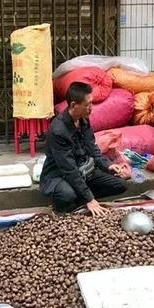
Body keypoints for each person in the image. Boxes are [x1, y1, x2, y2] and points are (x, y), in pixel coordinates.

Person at [40, 82, 127, 216]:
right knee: (67, 195)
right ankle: (63, 206)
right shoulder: (58, 130)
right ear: (74, 105)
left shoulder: (83, 120)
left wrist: (108, 166)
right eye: (88, 104)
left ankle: (80, 197)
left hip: (84, 170)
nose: (91, 108)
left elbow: (93, 150)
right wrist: (90, 199)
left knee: (120, 184)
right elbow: (69, 169)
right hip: (60, 174)